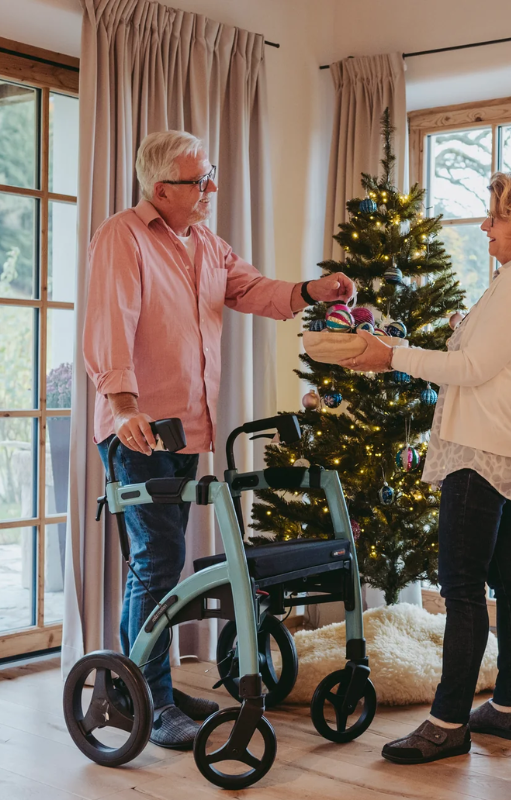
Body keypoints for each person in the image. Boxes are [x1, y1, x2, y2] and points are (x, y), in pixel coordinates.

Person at [83, 131, 354, 749]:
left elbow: (249, 289)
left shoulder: (204, 241)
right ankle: (144, 698)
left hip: (184, 429)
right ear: (161, 190)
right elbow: (109, 322)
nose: (212, 188)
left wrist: (313, 292)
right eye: (200, 180)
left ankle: (148, 682)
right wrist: (123, 403)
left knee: (160, 560)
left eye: (211, 175)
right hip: (140, 429)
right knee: (156, 561)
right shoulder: (123, 237)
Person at [340, 171, 511, 764]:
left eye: (497, 216)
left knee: (462, 587)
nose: (486, 226)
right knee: (509, 578)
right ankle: (509, 709)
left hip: (481, 451)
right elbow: (479, 357)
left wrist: (390, 355)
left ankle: (446, 722)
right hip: (502, 449)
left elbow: (471, 368)